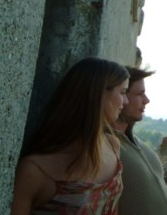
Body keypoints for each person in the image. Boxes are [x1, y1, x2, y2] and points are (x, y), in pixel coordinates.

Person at [11, 57, 130, 215]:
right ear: (97, 94)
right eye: (122, 92)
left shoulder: (112, 145)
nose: (126, 101)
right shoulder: (33, 170)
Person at [113, 66, 167, 215]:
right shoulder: (104, 146)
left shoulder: (139, 143)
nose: (147, 100)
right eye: (140, 94)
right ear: (122, 97)